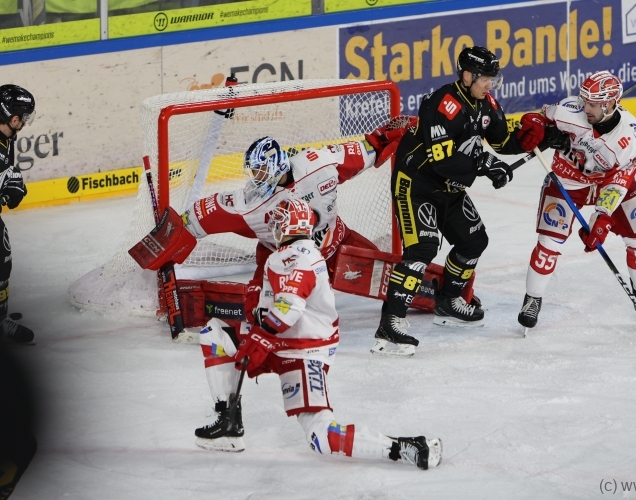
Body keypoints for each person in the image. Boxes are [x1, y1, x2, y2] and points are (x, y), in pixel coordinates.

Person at [194, 198, 443, 469]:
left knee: (321, 437)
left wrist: (259, 339)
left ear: (290, 226)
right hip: (282, 340)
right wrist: (258, 304)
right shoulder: (289, 253)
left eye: (278, 222)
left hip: (304, 350)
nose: (273, 227)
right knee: (216, 332)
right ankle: (228, 422)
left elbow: (289, 307)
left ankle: (404, 447)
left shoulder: (297, 257)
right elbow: (273, 298)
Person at [374, 46, 547, 356]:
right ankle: (391, 322)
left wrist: (540, 137)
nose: (491, 85)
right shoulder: (442, 104)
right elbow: (441, 160)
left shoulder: (486, 103)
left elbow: (501, 141)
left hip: (450, 187)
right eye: (485, 79)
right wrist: (484, 164)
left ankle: (448, 302)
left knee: (473, 241)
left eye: (493, 79)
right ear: (467, 76)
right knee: (422, 250)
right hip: (417, 185)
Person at [180, 122, 412, 315]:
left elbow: (371, 147)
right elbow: (193, 219)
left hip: (338, 246)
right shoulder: (248, 204)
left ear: (276, 164)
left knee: (393, 282)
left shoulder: (319, 164)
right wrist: (171, 239)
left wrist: (396, 135)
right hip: (283, 264)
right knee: (259, 309)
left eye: (260, 170)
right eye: (254, 172)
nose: (256, 178)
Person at [516, 71, 636, 331]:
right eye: (585, 101)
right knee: (549, 242)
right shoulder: (569, 110)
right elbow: (540, 118)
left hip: (609, 184)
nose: (585, 108)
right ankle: (532, 299)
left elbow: (619, 182)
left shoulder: (631, 139)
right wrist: (535, 123)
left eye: (593, 104)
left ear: (610, 104)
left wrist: (602, 217)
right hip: (568, 180)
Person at [0, 84, 35, 345]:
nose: (23, 124)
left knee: (3, 258)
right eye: (22, 118)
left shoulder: (6, 138)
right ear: (13, 118)